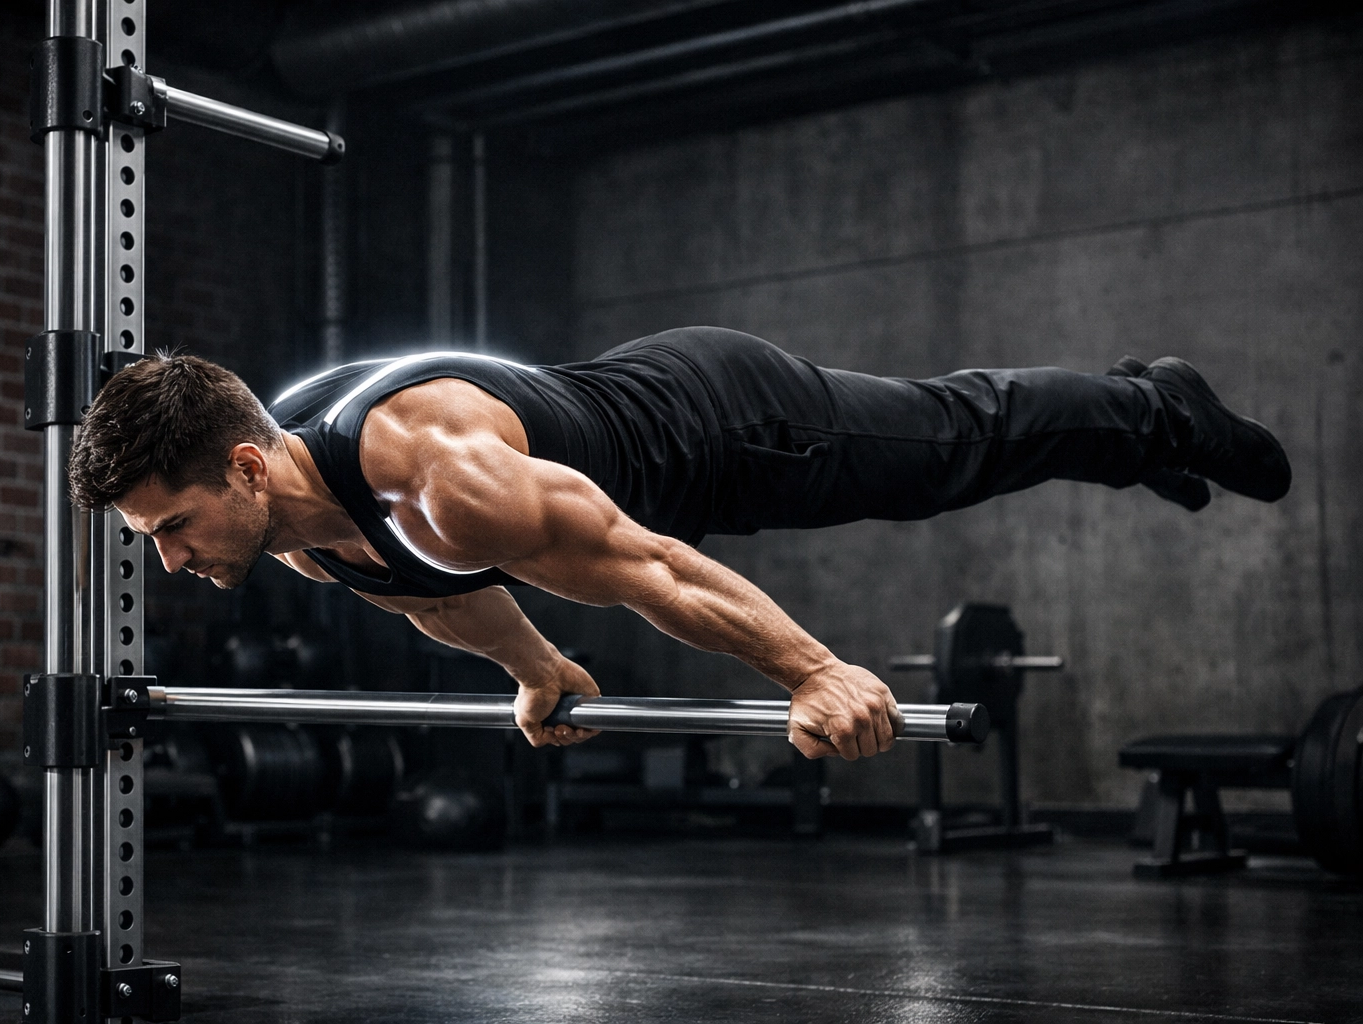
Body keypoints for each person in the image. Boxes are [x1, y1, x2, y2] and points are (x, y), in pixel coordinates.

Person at [68, 327, 1290, 761]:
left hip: (723, 421)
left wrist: (811, 669)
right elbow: (432, 597)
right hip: (646, 440)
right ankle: (1146, 439)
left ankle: (1154, 407)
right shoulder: (291, 529)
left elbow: (648, 571)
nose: (170, 559)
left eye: (169, 527)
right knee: (950, 451)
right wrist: (535, 668)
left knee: (947, 446)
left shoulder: (436, 474)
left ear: (239, 462)